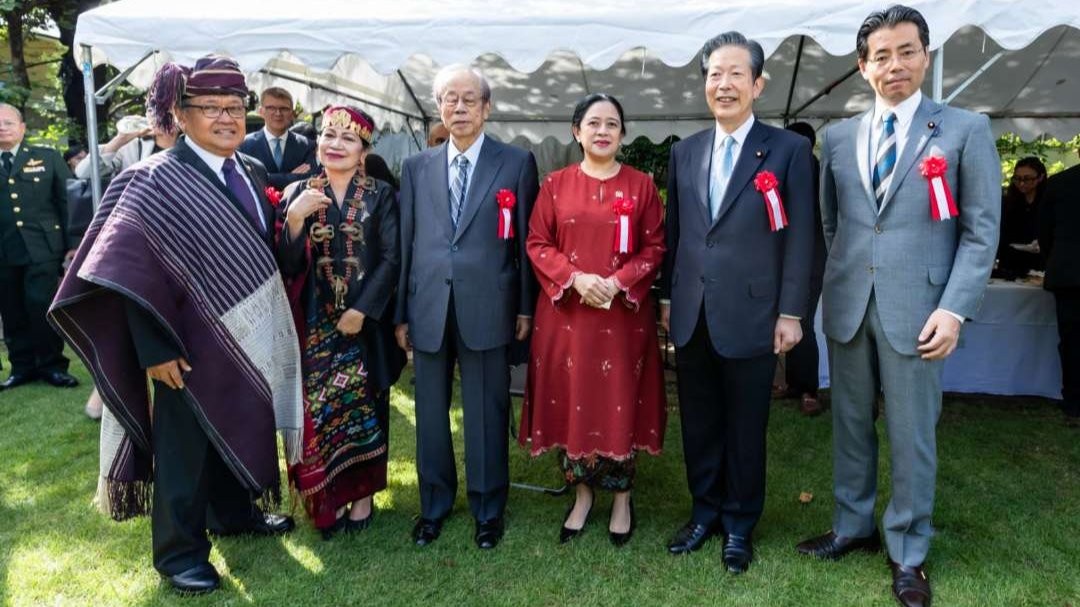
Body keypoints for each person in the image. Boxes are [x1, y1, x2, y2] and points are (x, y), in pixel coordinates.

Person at [48, 56, 302, 595]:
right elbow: (126, 275)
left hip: (242, 335)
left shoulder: (252, 173)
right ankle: (179, 553)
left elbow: (259, 257)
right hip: (181, 344)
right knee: (184, 453)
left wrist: (295, 228)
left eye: (236, 107)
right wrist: (154, 348)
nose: (228, 118)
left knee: (242, 420)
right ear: (180, 115)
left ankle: (236, 514)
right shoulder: (153, 179)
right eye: (211, 108)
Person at [795, 7, 1001, 607]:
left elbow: (981, 232)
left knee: (913, 435)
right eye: (881, 55)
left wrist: (955, 309)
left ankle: (908, 548)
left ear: (926, 56)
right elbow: (835, 226)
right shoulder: (836, 138)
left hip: (922, 313)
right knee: (850, 425)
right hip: (850, 306)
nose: (895, 65)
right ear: (863, 67)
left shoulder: (965, 130)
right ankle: (852, 525)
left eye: (906, 51)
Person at [660, 32, 814, 573]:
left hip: (755, 312)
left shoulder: (789, 150)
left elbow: (801, 239)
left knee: (747, 426)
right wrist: (667, 299)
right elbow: (678, 235)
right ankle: (705, 511)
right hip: (692, 311)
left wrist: (792, 311)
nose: (723, 84)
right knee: (699, 421)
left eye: (734, 74)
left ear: (758, 83)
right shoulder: (686, 151)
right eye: (713, 74)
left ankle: (740, 523)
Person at [395, 64, 539, 550]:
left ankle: (487, 508)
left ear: (487, 107)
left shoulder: (516, 163)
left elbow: (524, 245)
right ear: (439, 107)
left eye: (469, 99)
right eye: (449, 99)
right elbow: (408, 244)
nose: (459, 108)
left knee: (485, 411)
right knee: (430, 415)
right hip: (428, 305)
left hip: (490, 306)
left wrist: (525, 309)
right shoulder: (416, 168)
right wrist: (400, 314)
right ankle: (433, 505)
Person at [520, 94, 666, 546]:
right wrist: (576, 278)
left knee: (621, 398)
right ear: (576, 131)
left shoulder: (642, 186)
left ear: (623, 134)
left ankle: (622, 498)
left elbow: (655, 247)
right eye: (594, 123)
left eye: (613, 124)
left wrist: (620, 281)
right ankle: (582, 494)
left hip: (623, 318)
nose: (603, 131)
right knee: (573, 400)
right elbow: (537, 243)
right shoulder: (555, 185)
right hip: (567, 316)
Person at [278, 106, 405, 539]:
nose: (335, 145)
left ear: (364, 150)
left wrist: (363, 310)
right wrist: (294, 220)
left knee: (366, 406)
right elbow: (287, 266)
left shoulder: (381, 194)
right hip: (313, 324)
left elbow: (392, 258)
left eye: (347, 139)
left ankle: (364, 497)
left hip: (364, 325)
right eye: (329, 136)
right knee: (319, 411)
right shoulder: (297, 191)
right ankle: (327, 500)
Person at [75, 108, 178, 420]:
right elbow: (83, 172)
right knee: (129, 317)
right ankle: (107, 394)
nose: (163, 120)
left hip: (177, 243)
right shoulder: (134, 147)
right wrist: (120, 139)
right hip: (135, 246)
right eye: (157, 113)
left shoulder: (192, 145)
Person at [0, 102, 80, 391]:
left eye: (8, 122)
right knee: (12, 311)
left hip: (43, 248)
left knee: (41, 307)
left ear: (22, 128)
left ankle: (52, 366)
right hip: (4, 252)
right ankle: (21, 368)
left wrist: (73, 244)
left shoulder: (46, 157)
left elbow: (68, 201)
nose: (2, 127)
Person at [779, 121, 827, 415]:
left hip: (809, 260)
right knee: (792, 322)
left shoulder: (809, 168)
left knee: (802, 324)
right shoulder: (801, 166)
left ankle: (809, 389)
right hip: (796, 259)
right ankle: (796, 384)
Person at [1039, 152, 1080, 423]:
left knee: (1072, 340)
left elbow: (1044, 230)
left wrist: (1052, 258)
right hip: (1068, 271)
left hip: (1068, 272)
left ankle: (1074, 402)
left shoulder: (1060, 182)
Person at [240, 87, 315, 189]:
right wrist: (292, 177)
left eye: (284, 109)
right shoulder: (244, 145)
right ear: (261, 111)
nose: (278, 113)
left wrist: (264, 177)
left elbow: (311, 179)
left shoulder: (307, 146)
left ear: (292, 114)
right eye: (271, 108)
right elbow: (244, 179)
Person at [73, 112, 178, 183]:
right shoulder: (131, 146)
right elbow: (83, 173)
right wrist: (120, 139)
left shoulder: (189, 142)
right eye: (154, 107)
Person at [997, 156, 1047, 275]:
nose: (1022, 183)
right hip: (1010, 263)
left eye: (1028, 179)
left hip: (1039, 265)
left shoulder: (1048, 201)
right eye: (1017, 179)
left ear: (1040, 177)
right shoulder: (1007, 202)